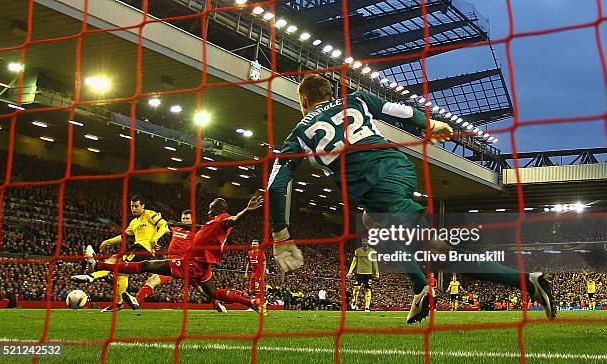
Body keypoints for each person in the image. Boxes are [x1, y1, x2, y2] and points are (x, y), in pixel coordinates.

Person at [267, 74, 556, 324]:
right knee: (374, 223)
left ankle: (527, 281)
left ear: (303, 102)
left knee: (444, 254)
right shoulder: (355, 99)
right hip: (399, 167)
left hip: (377, 186)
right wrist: (428, 123)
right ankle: (420, 287)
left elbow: (276, 185)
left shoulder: (300, 133)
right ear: (330, 93)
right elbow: (397, 109)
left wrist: (280, 233)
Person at [83, 196, 266, 314]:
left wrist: (247, 210)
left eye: (211, 208)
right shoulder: (203, 225)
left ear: (217, 210)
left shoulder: (220, 221)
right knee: (213, 292)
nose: (209, 211)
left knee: (145, 265)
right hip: (201, 266)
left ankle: (98, 266)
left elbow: (233, 220)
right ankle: (251, 303)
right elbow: (178, 226)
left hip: (188, 264)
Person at [72, 195, 169, 312]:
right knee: (120, 273)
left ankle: (92, 275)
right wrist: (108, 242)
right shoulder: (134, 222)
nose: (134, 209)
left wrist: (155, 239)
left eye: (136, 206)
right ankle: (118, 304)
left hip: (144, 249)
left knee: (117, 262)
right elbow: (124, 236)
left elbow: (164, 225)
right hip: (136, 248)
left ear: (143, 206)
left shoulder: (149, 214)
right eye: (132, 206)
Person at [346, 240, 379, 312]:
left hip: (369, 273)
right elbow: (354, 261)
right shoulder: (357, 251)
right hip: (359, 273)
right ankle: (354, 301)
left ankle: (367, 307)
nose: (364, 243)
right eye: (362, 241)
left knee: (367, 289)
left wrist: (377, 272)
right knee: (357, 287)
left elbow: (375, 262)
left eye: (365, 241)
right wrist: (350, 272)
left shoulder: (372, 251)